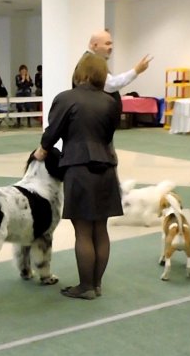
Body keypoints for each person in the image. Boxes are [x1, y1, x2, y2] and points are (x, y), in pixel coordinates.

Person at [33, 53, 123, 299]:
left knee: (83, 231)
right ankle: (97, 284)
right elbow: (108, 134)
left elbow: (52, 134)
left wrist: (41, 151)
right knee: (100, 230)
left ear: (79, 74)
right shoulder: (112, 101)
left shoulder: (66, 99)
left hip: (79, 167)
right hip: (106, 168)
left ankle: (85, 287)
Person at [86, 30, 152, 97]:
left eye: (111, 44)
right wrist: (136, 70)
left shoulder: (92, 61)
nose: (111, 47)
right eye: (107, 44)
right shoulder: (90, 63)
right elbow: (111, 84)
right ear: (95, 46)